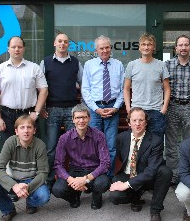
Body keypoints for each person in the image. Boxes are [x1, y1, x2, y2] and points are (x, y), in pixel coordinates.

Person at [109, 107, 172, 221]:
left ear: (146, 122)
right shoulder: (121, 138)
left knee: (165, 171)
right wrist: (118, 180)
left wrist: (126, 184)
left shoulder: (155, 140)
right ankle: (135, 197)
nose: (137, 124)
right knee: (114, 196)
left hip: (147, 176)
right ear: (129, 122)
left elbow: (151, 170)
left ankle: (155, 210)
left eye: (141, 120)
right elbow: (119, 158)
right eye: (134, 120)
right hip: (128, 173)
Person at [0, 115, 50, 221]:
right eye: (22, 127)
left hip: (31, 180)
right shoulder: (10, 142)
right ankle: (8, 210)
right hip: (13, 178)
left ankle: (30, 203)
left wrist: (28, 187)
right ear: (16, 131)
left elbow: (43, 173)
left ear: (34, 130)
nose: (26, 131)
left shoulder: (40, 145)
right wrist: (14, 186)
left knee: (44, 196)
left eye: (29, 127)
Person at [40, 33, 83, 187]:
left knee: (73, 147)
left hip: (72, 111)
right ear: (54, 43)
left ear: (68, 45)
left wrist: (82, 107)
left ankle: (72, 182)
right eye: (60, 41)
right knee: (51, 148)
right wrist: (41, 107)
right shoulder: (45, 62)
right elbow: (40, 86)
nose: (62, 44)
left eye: (65, 42)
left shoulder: (75, 62)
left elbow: (83, 84)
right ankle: (50, 180)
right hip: (52, 110)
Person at [0, 36, 48, 143]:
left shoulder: (34, 68)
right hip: (7, 116)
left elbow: (44, 90)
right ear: (8, 49)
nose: (16, 49)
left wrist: (37, 112)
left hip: (29, 115)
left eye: (19, 47)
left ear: (24, 49)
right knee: (10, 149)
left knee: (32, 148)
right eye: (13, 47)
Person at [52, 104, 111, 210]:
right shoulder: (64, 138)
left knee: (103, 183)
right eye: (78, 117)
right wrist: (71, 180)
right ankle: (74, 197)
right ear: (73, 120)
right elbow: (58, 165)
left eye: (84, 117)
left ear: (89, 118)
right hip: (75, 171)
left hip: (94, 171)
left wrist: (85, 180)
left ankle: (96, 197)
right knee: (58, 189)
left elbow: (105, 163)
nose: (81, 120)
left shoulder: (99, 135)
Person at [82, 35, 125, 177]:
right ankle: (95, 176)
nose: (105, 50)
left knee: (111, 146)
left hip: (113, 107)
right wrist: (96, 109)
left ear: (110, 48)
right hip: (95, 109)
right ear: (96, 50)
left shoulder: (118, 64)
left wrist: (116, 107)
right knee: (93, 145)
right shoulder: (89, 65)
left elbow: (122, 90)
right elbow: (85, 89)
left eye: (107, 47)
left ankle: (108, 177)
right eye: (101, 48)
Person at [164, 35, 190, 186]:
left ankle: (186, 175)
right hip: (172, 106)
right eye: (180, 45)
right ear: (176, 48)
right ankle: (172, 175)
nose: (183, 48)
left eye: (186, 45)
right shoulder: (167, 65)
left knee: (189, 143)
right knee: (171, 144)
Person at [123, 33, 170, 138]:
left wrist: (164, 108)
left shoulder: (161, 65)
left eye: (149, 44)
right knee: (137, 143)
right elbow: (126, 89)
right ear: (139, 47)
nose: (146, 47)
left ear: (153, 47)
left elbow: (167, 89)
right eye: (143, 44)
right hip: (137, 111)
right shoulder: (132, 65)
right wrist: (128, 108)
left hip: (156, 111)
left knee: (156, 144)